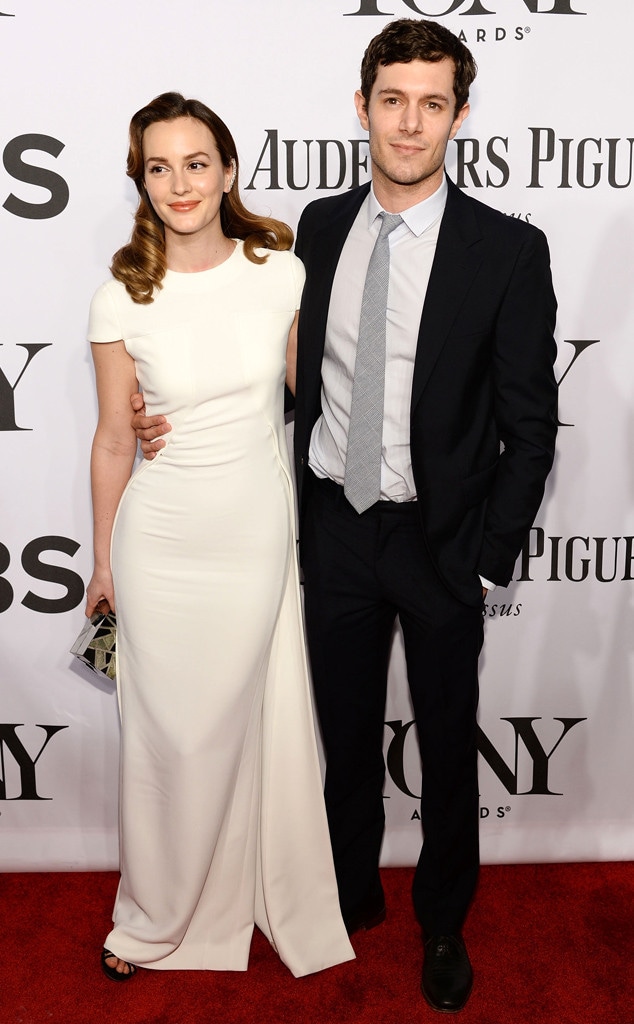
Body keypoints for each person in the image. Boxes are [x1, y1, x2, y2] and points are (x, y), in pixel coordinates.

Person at [133, 20, 558, 1014]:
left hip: (441, 540)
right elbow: (269, 366)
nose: (410, 121)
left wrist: (488, 556)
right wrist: (169, 415)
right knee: (340, 732)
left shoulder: (507, 249)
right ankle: (347, 890)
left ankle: (442, 919)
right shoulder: (312, 230)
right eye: (393, 98)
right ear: (361, 106)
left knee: (449, 742)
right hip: (331, 521)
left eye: (432, 101)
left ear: (457, 114)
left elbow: (530, 425)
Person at [85, 91, 354, 982]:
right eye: (158, 167)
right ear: (142, 181)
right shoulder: (121, 293)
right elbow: (116, 437)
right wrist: (101, 559)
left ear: (228, 169)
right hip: (158, 540)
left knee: (237, 724)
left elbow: (310, 392)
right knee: (165, 737)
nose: (179, 183)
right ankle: (154, 915)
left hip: (251, 531)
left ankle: (247, 889)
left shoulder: (279, 270)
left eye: (195, 163)